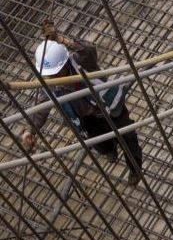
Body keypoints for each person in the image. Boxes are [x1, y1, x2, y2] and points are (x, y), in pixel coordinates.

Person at [19, 21, 142, 184]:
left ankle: (135, 170)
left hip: (110, 109)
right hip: (87, 121)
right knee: (101, 145)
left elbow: (89, 49)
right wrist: (30, 131)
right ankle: (110, 149)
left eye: (56, 72)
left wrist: (60, 39)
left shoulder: (81, 61)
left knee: (128, 140)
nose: (54, 78)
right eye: (50, 75)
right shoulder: (49, 83)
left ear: (65, 64)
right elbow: (41, 109)